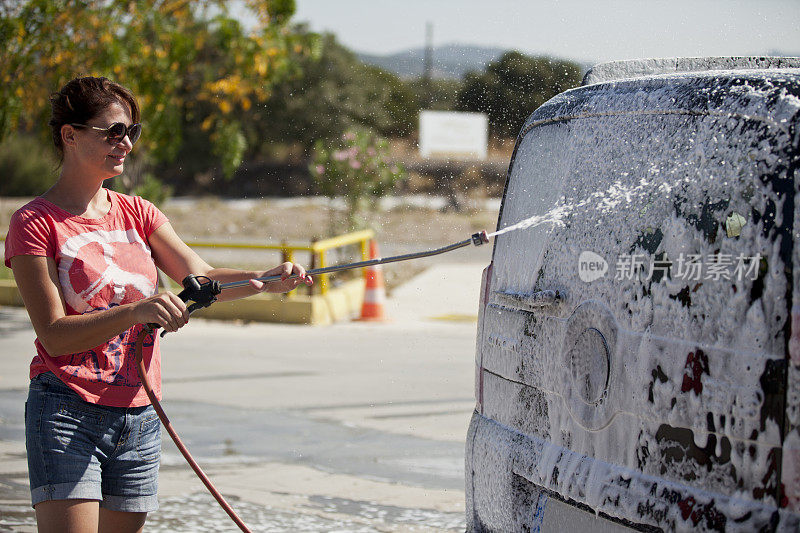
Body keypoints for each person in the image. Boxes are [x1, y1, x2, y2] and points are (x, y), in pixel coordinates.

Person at [3, 76, 313, 533]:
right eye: (112, 131)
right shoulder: (34, 223)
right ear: (70, 135)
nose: (125, 142)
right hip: (67, 411)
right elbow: (53, 332)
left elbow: (199, 275)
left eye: (131, 131)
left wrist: (266, 281)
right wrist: (137, 311)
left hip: (139, 414)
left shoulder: (139, 212)